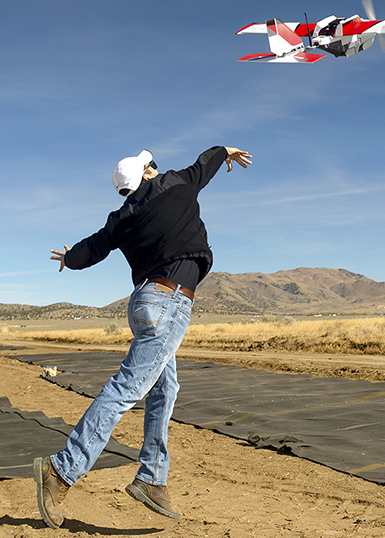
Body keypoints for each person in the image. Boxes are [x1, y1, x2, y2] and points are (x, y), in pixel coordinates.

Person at [34, 145, 251, 529]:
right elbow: (205, 164)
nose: (156, 167)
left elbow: (94, 248)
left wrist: (69, 259)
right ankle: (62, 470)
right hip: (169, 303)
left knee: (165, 390)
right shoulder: (173, 184)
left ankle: (152, 478)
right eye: (151, 164)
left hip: (144, 302)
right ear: (148, 173)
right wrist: (225, 151)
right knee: (125, 390)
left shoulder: (122, 216)